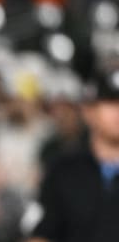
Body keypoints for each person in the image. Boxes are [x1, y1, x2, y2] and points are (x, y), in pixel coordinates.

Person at [27, 69, 119, 242]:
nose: (118, 111)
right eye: (110, 102)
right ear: (89, 111)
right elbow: (40, 233)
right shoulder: (62, 170)